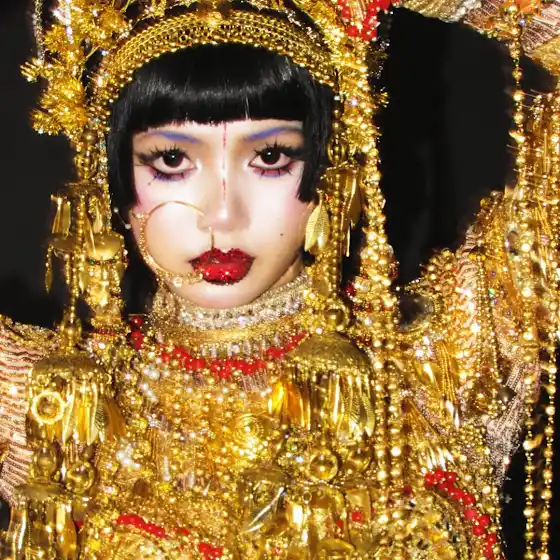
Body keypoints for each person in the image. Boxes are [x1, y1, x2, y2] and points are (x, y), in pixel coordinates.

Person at [0, 0, 558, 558]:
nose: (222, 215)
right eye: (171, 161)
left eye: (269, 157)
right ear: (112, 179)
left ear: (327, 169)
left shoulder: (445, 356)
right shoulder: (48, 403)